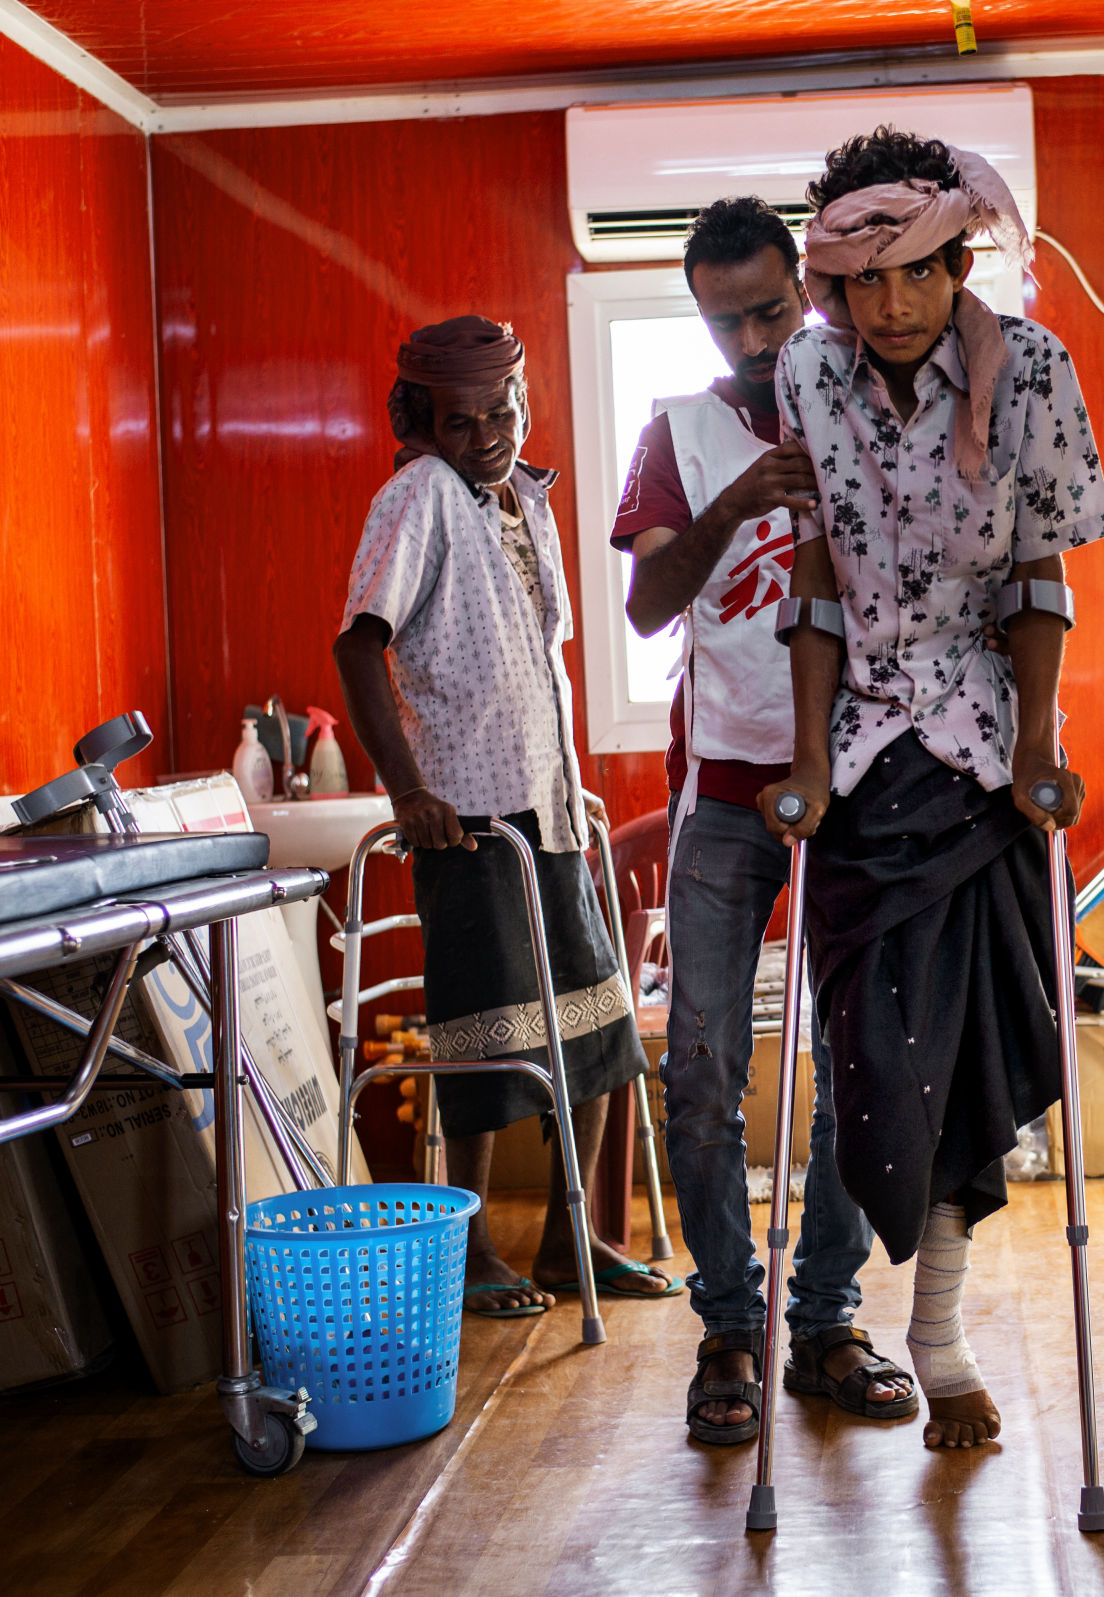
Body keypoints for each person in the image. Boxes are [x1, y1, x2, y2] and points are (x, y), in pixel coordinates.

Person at [759, 128, 1104, 1449]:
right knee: (870, 1066)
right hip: (860, 763)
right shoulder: (807, 372)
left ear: (958, 259)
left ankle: (941, 1335)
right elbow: (810, 579)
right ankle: (871, 1303)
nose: (887, 306)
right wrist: (805, 759)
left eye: (912, 274)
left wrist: (1033, 750)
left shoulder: (1031, 370)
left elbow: (1036, 577)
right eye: (859, 283)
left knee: (967, 1060)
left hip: (980, 759)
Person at [615, 197, 918, 1446]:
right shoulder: (678, 433)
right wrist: (735, 498)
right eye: (722, 314)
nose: (748, 333)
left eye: (768, 305)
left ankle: (828, 1320)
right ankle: (726, 1327)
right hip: (726, 796)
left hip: (858, 783)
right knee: (699, 1072)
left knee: (856, 1063)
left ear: (808, 286)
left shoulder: (873, 400)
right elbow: (643, 610)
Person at [332, 315, 678, 1318]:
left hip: (551, 810)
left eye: (503, 410)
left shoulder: (525, 499)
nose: (486, 432)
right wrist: (409, 794)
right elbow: (360, 648)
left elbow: (537, 669)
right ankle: (472, 1246)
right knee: (484, 1037)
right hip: (470, 818)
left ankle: (578, 1241)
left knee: (595, 1023)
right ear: (421, 422)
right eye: (461, 419)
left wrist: (569, 790)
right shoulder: (419, 497)